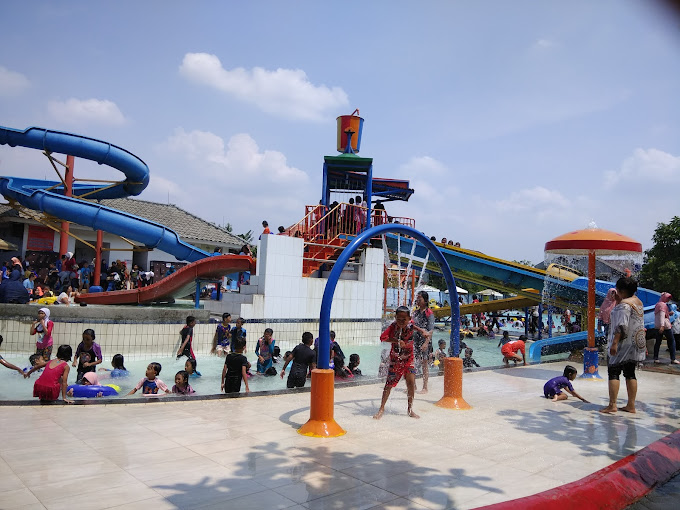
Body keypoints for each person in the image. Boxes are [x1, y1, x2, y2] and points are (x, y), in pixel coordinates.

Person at [600, 277, 646, 414]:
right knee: (630, 373)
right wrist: (619, 300)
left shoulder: (623, 306)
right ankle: (631, 405)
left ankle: (612, 405)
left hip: (622, 343)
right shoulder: (638, 302)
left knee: (613, 371)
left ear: (621, 290)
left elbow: (621, 326)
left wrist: (614, 343)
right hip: (635, 344)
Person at [374, 306, 419, 420]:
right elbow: (382, 337)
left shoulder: (410, 324)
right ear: (395, 318)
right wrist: (396, 341)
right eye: (398, 319)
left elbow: (415, 327)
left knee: (411, 384)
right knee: (389, 385)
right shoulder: (393, 327)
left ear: (409, 318)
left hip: (409, 359)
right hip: (396, 360)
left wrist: (423, 332)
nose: (401, 322)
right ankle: (381, 408)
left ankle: (410, 409)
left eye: (404, 319)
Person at [411, 290, 434, 394]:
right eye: (417, 298)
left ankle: (425, 387)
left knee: (424, 363)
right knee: (414, 362)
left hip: (425, 340)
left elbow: (430, 330)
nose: (417, 300)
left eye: (419, 298)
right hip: (415, 340)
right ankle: (413, 385)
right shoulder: (415, 312)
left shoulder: (429, 313)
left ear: (425, 300)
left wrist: (426, 343)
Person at [653, 292, 678, 364]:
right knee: (671, 341)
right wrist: (662, 325)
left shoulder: (658, 304)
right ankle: (673, 359)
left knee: (657, 342)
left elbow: (660, 314)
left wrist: (669, 313)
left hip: (657, 326)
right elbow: (662, 315)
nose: (668, 300)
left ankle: (656, 358)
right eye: (667, 298)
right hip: (665, 326)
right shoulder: (663, 305)